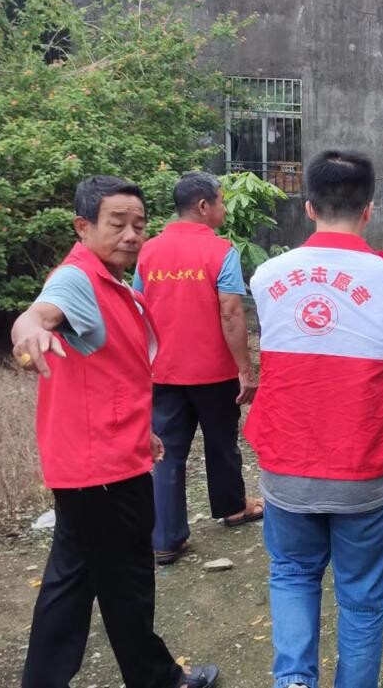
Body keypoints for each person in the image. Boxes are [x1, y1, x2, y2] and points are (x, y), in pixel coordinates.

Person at [10, 175, 217, 687]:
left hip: (93, 459)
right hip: (101, 469)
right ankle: (157, 679)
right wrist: (30, 329)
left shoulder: (111, 281)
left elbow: (113, 373)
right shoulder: (77, 279)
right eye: (117, 223)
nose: (130, 234)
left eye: (139, 224)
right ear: (83, 227)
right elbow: (40, 313)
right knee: (125, 582)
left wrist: (140, 431)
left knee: (72, 579)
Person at [244, 150, 383, 688]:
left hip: (287, 465)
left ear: (309, 207)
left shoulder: (267, 277)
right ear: (369, 210)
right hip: (364, 468)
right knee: (362, 600)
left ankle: (294, 682)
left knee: (293, 575)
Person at [134, 172, 263, 566]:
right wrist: (245, 369)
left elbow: (137, 307)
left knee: (166, 452)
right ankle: (232, 507)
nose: (223, 208)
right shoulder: (221, 251)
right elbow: (231, 312)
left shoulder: (148, 251)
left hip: (162, 371)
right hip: (213, 372)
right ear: (204, 206)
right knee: (221, 443)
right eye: (221, 201)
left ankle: (165, 538)